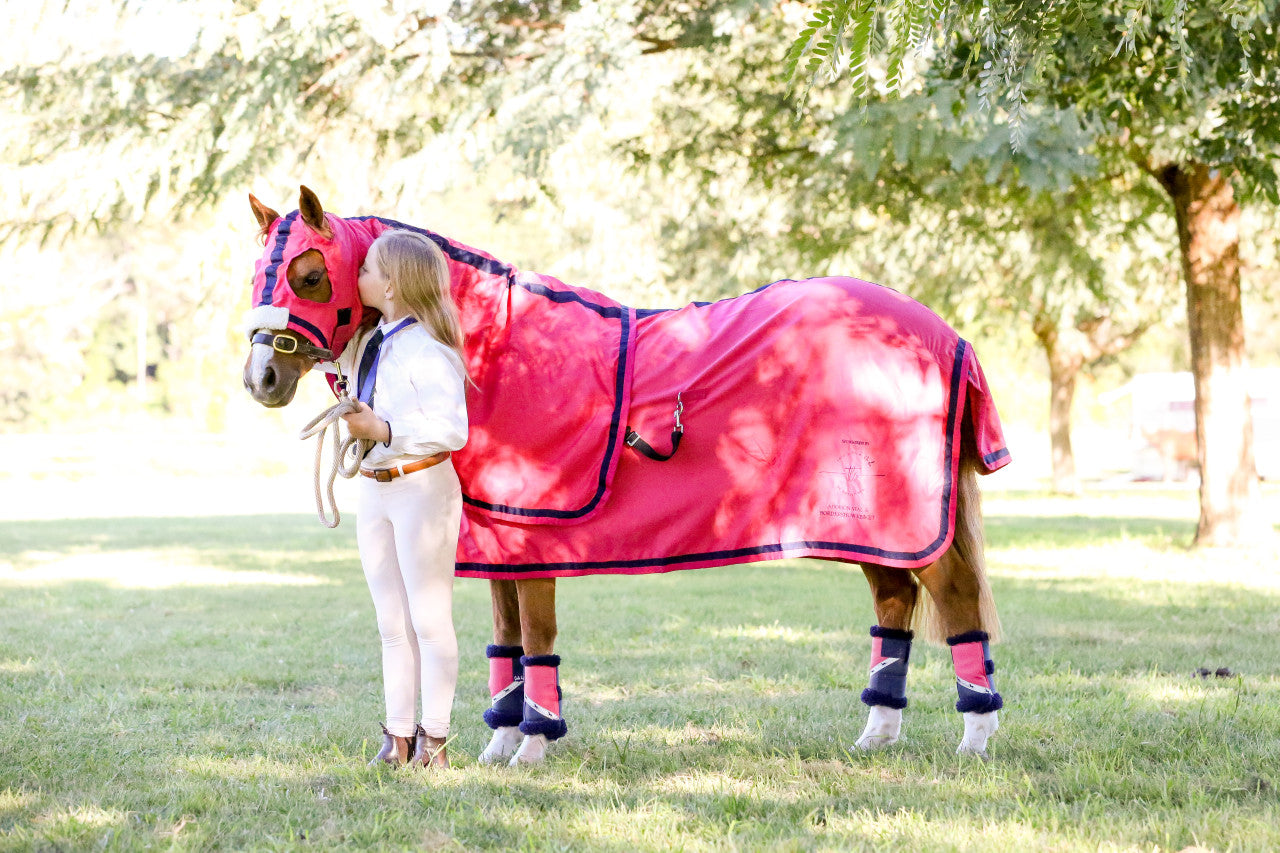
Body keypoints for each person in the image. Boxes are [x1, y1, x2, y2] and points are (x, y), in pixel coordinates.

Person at [338, 229, 469, 768]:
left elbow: (451, 428)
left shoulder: (431, 350)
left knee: (429, 621)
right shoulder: (370, 345)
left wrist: (384, 428)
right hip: (375, 491)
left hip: (421, 490)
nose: (358, 277)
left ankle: (433, 739)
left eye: (366, 269)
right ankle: (397, 738)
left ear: (389, 284)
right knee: (391, 622)